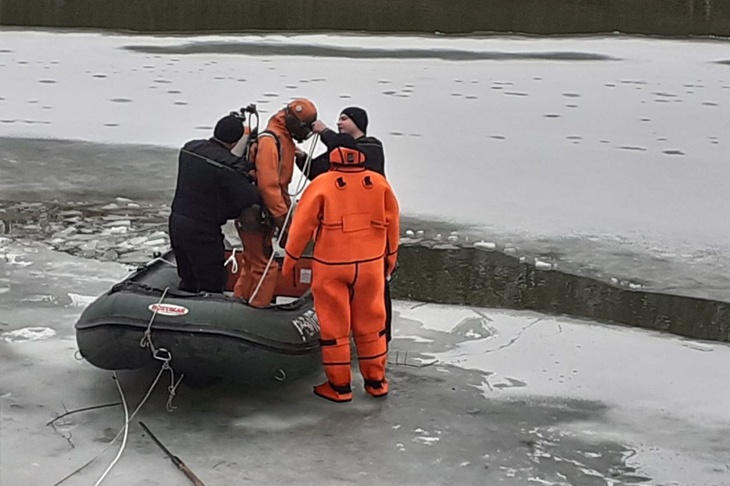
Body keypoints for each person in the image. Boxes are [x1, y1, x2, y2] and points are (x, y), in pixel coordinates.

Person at [282, 134, 400, 403]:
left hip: (331, 266)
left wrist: (290, 262)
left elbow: (301, 227)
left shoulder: (322, 184)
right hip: (370, 265)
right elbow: (393, 225)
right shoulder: (379, 183)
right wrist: (390, 259)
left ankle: (340, 387)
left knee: (335, 327)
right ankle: (376, 381)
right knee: (372, 324)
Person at [296, 106, 394, 343]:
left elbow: (351, 149)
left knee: (376, 282)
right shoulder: (339, 152)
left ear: (359, 123)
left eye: (345, 119)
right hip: (346, 229)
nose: (339, 122)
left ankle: (381, 335)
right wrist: (299, 157)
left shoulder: (371, 146)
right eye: (338, 119)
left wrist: (324, 132)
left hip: (372, 226)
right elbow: (316, 171)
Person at [233, 98, 318, 307]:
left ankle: (240, 304)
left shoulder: (281, 139)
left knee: (252, 263)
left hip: (261, 212)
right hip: (257, 213)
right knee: (265, 267)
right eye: (304, 127)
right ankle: (255, 313)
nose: (305, 133)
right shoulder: (271, 140)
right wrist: (284, 220)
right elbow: (269, 186)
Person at [169, 114, 260, 294]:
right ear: (235, 142)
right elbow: (249, 197)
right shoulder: (228, 168)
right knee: (211, 283)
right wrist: (250, 173)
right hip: (202, 231)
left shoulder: (190, 148)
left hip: (177, 222)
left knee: (188, 280)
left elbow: (214, 163)